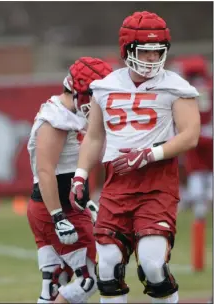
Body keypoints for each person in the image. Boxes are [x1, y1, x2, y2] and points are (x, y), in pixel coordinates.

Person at [69, 11, 200, 304]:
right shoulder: (104, 86)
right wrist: (80, 175)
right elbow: (94, 136)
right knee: (108, 268)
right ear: (127, 50)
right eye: (145, 52)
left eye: (157, 53)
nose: (152, 59)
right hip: (117, 183)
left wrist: (148, 155)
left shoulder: (176, 86)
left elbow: (190, 135)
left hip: (157, 182)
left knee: (153, 265)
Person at [27, 57, 112, 304]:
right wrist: (57, 216)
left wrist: (86, 201)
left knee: (54, 282)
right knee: (91, 279)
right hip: (56, 208)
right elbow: (45, 170)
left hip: (66, 205)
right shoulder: (56, 118)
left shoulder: (72, 112)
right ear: (78, 90)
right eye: (94, 95)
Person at [170, 55, 213, 271]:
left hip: (198, 134)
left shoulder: (189, 88)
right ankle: (199, 208)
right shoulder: (207, 84)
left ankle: (199, 209)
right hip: (207, 135)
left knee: (197, 178)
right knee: (201, 180)